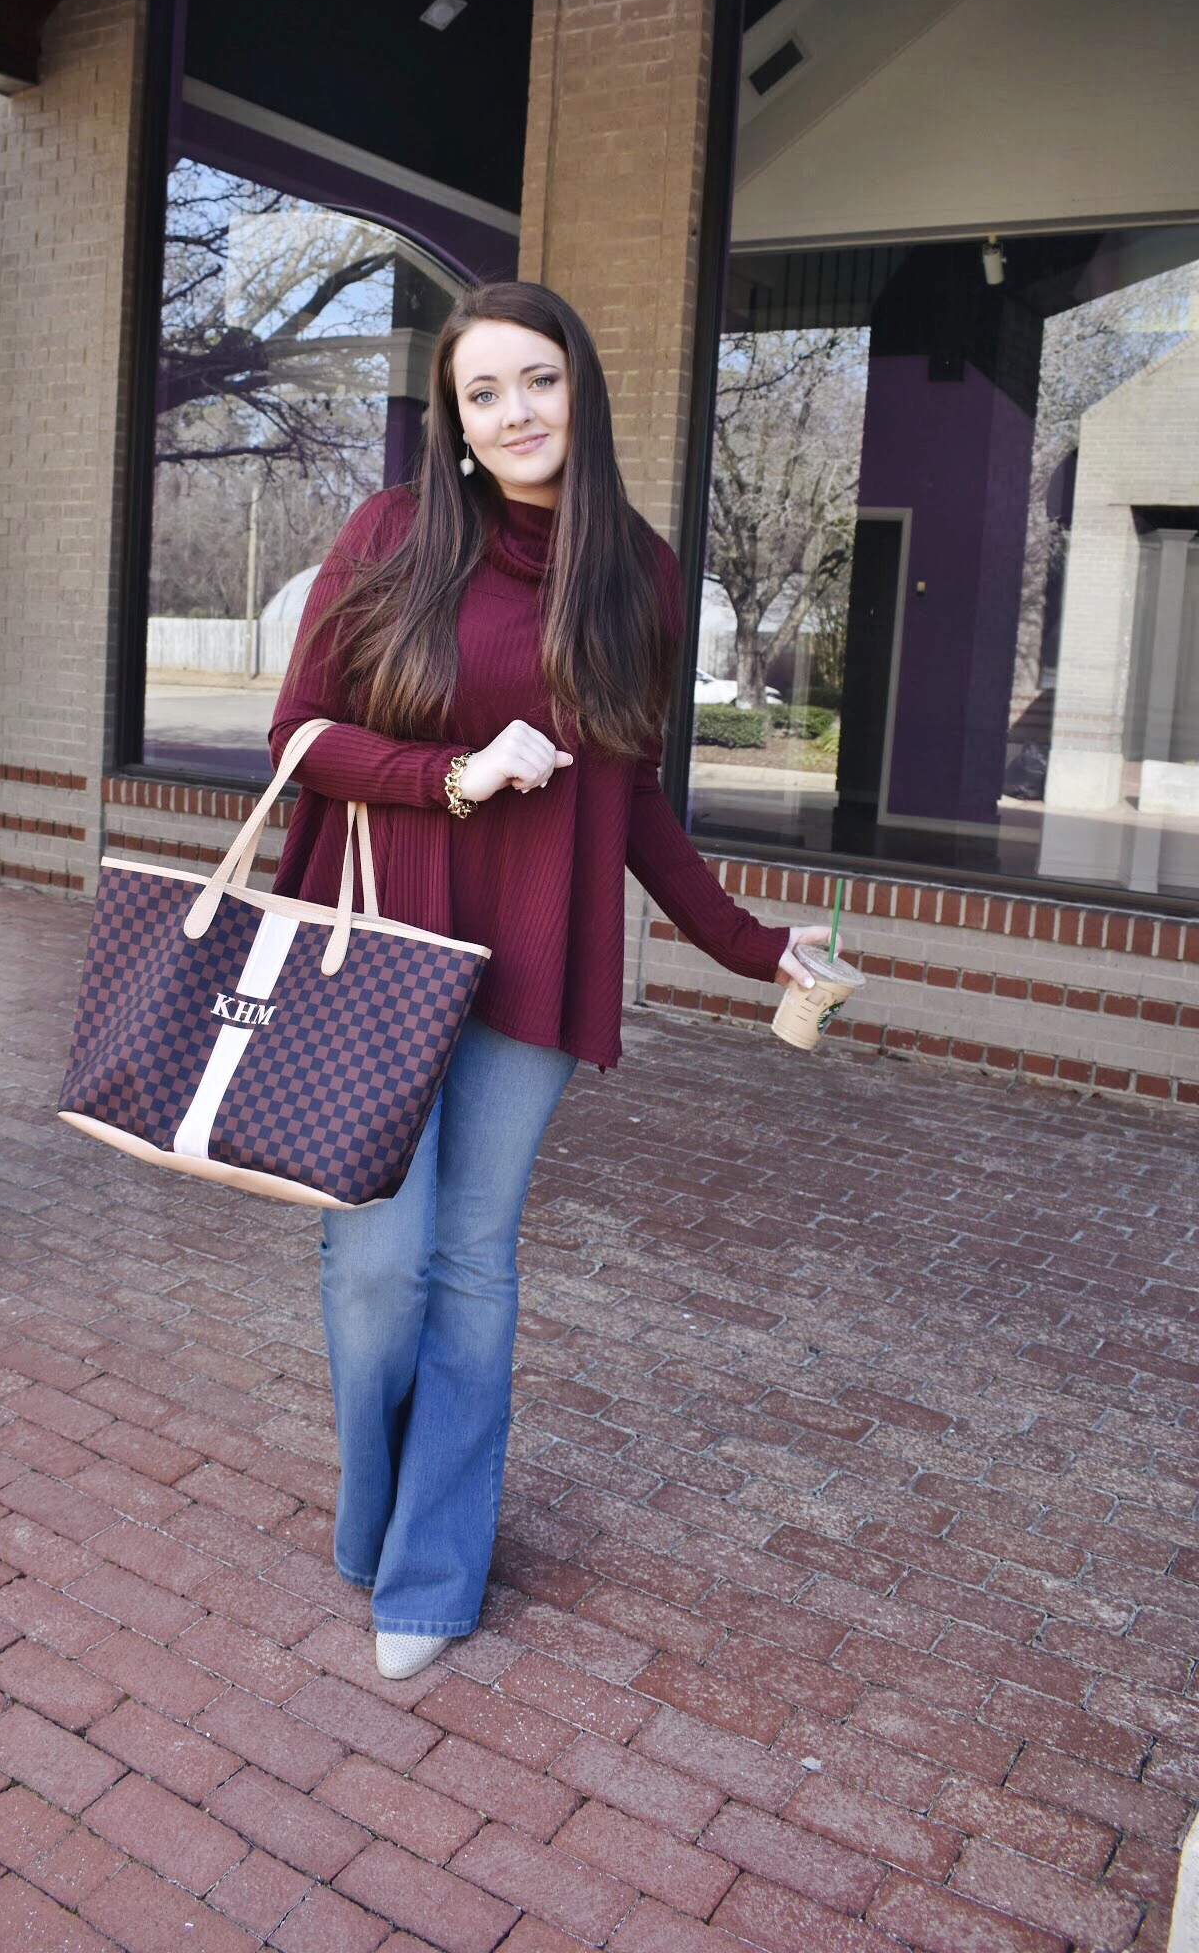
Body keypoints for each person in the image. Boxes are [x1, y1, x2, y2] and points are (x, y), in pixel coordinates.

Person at [267, 281, 829, 1680]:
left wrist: (757, 947)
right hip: (378, 947)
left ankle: (431, 1574)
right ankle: (375, 1514)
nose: (517, 413)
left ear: (581, 390)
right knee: (379, 1263)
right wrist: (449, 776)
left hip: (532, 960)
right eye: (484, 393)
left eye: (540, 381)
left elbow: (629, 805)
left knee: (473, 1264)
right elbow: (296, 737)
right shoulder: (391, 537)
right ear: (454, 423)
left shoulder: (634, 571)